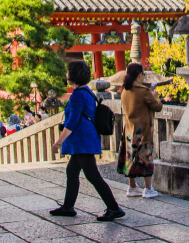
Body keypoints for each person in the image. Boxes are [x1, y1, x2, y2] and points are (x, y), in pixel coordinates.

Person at [51, 60, 125, 221]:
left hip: (82, 140)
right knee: (72, 171)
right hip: (86, 139)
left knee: (92, 175)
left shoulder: (78, 95)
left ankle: (114, 208)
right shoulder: (87, 92)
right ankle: (68, 206)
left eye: (68, 72)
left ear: (73, 75)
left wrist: (59, 141)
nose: (66, 74)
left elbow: (72, 122)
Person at [119, 62, 163, 199]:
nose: (143, 76)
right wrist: (156, 96)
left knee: (130, 157)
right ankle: (148, 189)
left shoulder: (125, 91)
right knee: (145, 157)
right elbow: (157, 107)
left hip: (129, 128)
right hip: (142, 130)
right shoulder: (143, 91)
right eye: (143, 74)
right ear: (139, 75)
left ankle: (132, 187)